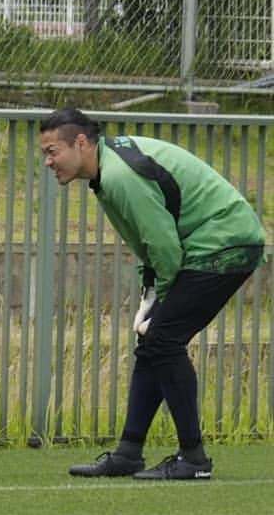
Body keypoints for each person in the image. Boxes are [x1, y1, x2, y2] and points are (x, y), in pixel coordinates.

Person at [39, 108, 265, 480]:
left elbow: (164, 247)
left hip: (225, 244)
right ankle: (129, 453)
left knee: (163, 341)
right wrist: (150, 292)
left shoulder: (119, 176)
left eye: (52, 151)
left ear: (81, 143)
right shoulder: (107, 169)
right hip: (206, 245)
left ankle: (194, 460)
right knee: (153, 343)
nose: (48, 162)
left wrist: (159, 297)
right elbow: (149, 241)